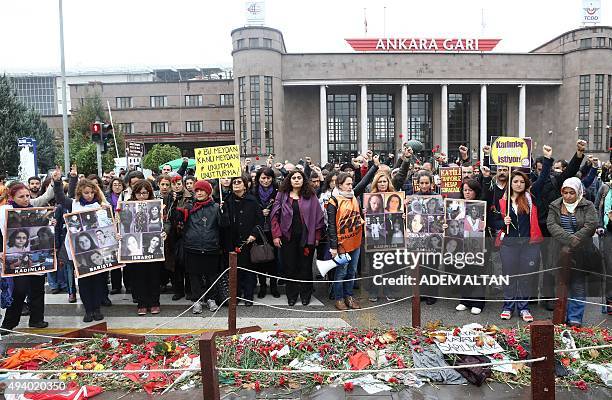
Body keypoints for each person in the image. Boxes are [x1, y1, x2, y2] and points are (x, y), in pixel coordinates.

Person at [0, 168, 65, 334]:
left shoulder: (35, 210)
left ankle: (37, 319)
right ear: (12, 197)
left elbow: (44, 228)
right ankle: (9, 323)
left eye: (27, 196)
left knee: (37, 288)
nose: (26, 199)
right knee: (19, 290)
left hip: (37, 255)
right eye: (21, 196)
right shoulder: (4, 212)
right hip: (15, 256)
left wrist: (51, 226)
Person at [53, 167, 110, 323]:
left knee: (98, 280)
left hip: (97, 249)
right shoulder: (74, 204)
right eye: (86, 193)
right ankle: (88, 309)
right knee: (84, 281)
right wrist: (58, 182)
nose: (90, 195)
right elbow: (60, 198)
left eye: (92, 192)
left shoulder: (101, 205)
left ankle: (97, 308)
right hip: (79, 250)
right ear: (80, 192)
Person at [327, 154, 380, 310]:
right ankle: (339, 298)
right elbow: (331, 225)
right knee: (341, 272)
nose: (351, 186)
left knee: (351, 272)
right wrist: (334, 247)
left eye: (351, 184)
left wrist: (374, 166)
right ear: (340, 185)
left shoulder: (353, 196)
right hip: (342, 244)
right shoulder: (334, 201)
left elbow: (364, 183)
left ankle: (349, 296)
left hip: (356, 240)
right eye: (347, 184)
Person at [494, 170, 545, 322]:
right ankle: (508, 306)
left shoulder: (530, 198)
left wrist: (547, 160)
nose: (519, 184)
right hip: (509, 244)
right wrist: (503, 222)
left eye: (522, 182)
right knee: (509, 276)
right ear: (510, 183)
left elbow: (542, 180)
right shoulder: (502, 200)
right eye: (515, 181)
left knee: (525, 276)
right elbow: (493, 220)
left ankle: (523, 307)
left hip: (528, 244)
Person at [547, 177, 598, 327]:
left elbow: (591, 224)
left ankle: (575, 317)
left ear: (578, 192)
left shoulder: (587, 205)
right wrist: (569, 240)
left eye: (571, 193)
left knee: (578, 284)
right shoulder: (555, 205)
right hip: (560, 250)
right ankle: (562, 315)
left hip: (581, 250)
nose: (568, 196)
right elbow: (552, 225)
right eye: (565, 192)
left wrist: (576, 240)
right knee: (562, 284)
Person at [271, 170, 325, 306]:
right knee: (290, 267)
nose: (296, 180)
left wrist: (317, 236)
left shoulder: (311, 196)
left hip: (307, 237)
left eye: (299, 178)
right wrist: (276, 235)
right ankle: (292, 295)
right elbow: (274, 216)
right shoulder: (281, 195)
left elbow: (319, 217)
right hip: (287, 237)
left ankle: (306, 294)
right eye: (293, 178)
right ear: (289, 180)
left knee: (305, 267)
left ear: (303, 180)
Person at [174, 180, 226, 313]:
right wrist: (174, 203)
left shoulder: (215, 207)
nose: (199, 193)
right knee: (194, 276)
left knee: (211, 275)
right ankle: (197, 300)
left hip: (211, 246)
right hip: (193, 246)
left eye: (202, 190)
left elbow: (224, 225)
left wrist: (223, 211)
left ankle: (211, 299)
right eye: (197, 191)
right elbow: (177, 217)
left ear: (208, 192)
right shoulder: (189, 207)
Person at [122, 180, 166, 315]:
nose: (142, 196)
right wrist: (120, 235)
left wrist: (165, 232)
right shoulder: (127, 206)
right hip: (136, 247)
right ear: (134, 193)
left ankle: (154, 303)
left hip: (152, 248)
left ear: (149, 193)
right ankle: (142, 303)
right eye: (139, 193)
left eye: (145, 193)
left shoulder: (156, 206)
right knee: (138, 276)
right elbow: (123, 225)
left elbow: (166, 222)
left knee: (153, 275)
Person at [221, 175, 263, 306]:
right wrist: (222, 210)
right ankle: (237, 294)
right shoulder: (227, 200)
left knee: (249, 269)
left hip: (248, 241)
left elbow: (260, 220)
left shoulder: (252, 201)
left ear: (245, 185)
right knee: (235, 270)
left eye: (239, 182)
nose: (236, 184)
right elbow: (223, 223)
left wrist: (254, 234)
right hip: (232, 241)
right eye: (234, 182)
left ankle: (249, 296)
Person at [251, 167, 280, 298]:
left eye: (268, 178)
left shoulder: (277, 192)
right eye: (263, 178)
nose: (266, 180)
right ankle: (262, 286)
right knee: (260, 259)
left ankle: (274, 286)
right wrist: (259, 212)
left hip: (273, 230)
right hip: (258, 230)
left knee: (274, 260)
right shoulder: (253, 192)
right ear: (258, 179)